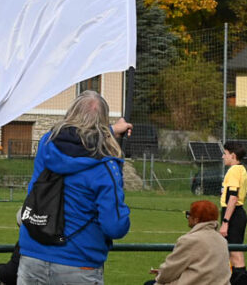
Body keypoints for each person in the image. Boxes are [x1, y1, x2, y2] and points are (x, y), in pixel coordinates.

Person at [16, 90, 131, 284]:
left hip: (32, 255)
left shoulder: (47, 143)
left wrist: (111, 130)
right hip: (79, 261)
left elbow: (74, 140)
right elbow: (115, 227)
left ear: (71, 113)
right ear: (102, 122)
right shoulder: (105, 165)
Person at [144, 200, 231, 285]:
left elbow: (170, 270)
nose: (188, 217)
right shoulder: (222, 240)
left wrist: (160, 275)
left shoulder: (190, 240)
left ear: (196, 220)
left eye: (189, 214)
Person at [220, 141, 247, 276]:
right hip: (236, 213)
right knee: (231, 253)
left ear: (232, 155)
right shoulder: (241, 169)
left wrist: (225, 222)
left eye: (225, 154)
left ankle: (242, 281)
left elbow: (233, 197)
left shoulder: (233, 171)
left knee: (235, 253)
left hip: (233, 214)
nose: (223, 156)